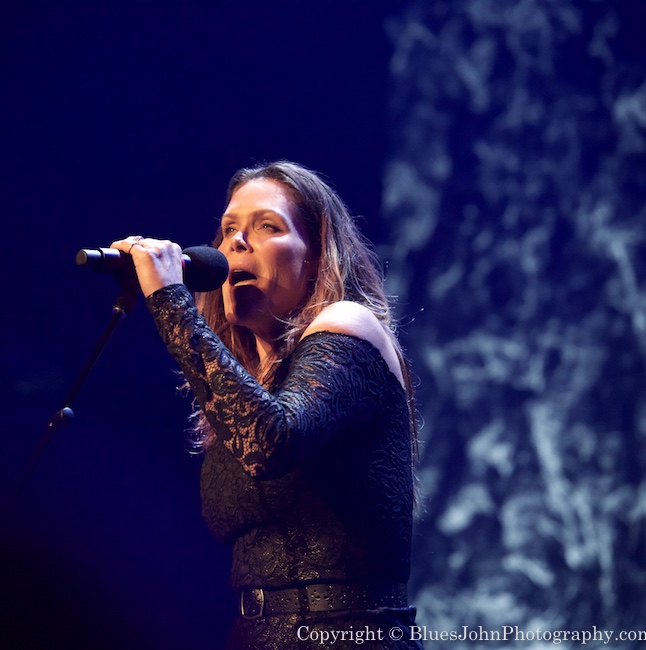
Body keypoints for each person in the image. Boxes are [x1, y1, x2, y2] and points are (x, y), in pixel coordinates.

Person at [111, 161, 421, 649]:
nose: (236, 241)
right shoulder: (246, 387)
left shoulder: (351, 322)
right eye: (229, 228)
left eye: (267, 227)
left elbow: (270, 441)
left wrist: (170, 300)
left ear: (318, 258)